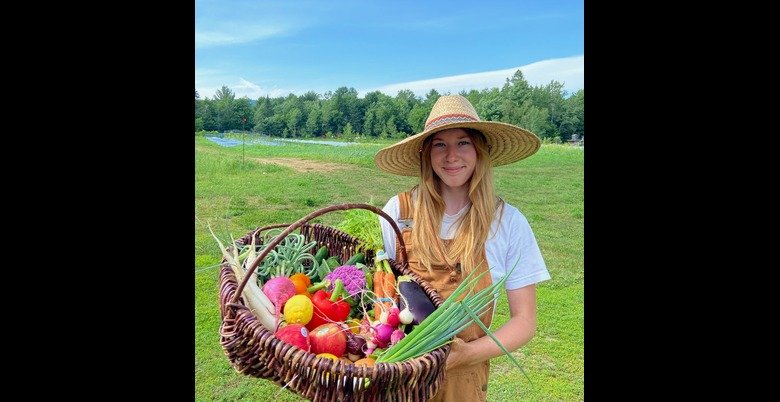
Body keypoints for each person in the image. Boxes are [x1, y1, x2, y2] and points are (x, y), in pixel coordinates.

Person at [375, 95, 550, 401]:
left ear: (480, 151)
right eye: (439, 144)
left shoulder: (507, 223)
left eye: (464, 142)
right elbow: (382, 299)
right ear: (427, 153)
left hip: (464, 381)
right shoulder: (398, 212)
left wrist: (466, 354)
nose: (451, 156)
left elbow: (524, 321)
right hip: (399, 380)